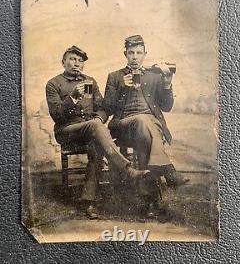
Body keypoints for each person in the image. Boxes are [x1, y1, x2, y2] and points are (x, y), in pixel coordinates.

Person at [45, 45, 149, 219]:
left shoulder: (90, 81)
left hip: (92, 131)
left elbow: (103, 108)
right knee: (95, 127)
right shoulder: (54, 84)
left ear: (83, 65)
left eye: (80, 60)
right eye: (72, 59)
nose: (76, 63)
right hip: (67, 131)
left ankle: (89, 202)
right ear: (63, 62)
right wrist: (73, 98)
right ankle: (127, 169)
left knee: (96, 146)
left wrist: (99, 119)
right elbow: (57, 116)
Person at [104, 35, 189, 218]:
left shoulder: (154, 76)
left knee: (144, 132)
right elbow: (108, 108)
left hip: (150, 126)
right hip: (124, 125)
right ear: (125, 54)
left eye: (139, 53)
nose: (135, 56)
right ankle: (167, 173)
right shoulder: (115, 77)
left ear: (145, 54)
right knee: (143, 122)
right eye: (131, 53)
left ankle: (148, 200)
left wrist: (167, 83)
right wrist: (121, 88)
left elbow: (166, 107)